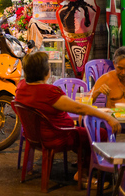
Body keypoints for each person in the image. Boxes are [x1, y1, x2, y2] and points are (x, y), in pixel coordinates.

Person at [16, 51, 121, 187]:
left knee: (83, 132)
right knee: (99, 133)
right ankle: (83, 175)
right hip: (58, 136)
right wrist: (108, 117)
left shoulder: (22, 87)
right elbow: (79, 108)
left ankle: (83, 161)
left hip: (34, 136)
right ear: (46, 71)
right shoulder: (49, 92)